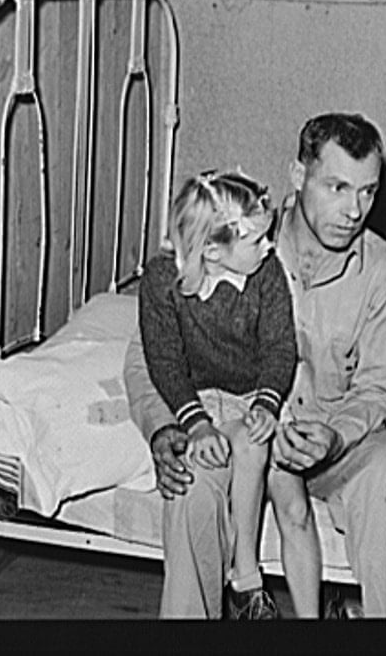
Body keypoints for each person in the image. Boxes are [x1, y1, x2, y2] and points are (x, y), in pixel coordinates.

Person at [125, 113, 386, 618]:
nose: (354, 210)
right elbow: (149, 355)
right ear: (297, 175)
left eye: (368, 192)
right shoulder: (230, 241)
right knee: (192, 488)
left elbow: (379, 390)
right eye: (337, 187)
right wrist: (164, 430)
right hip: (237, 428)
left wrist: (335, 436)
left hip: (335, 440)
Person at [135, 168, 315, 619]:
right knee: (194, 484)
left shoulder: (266, 272)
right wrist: (195, 424)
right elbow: (164, 360)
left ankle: (246, 572)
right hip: (198, 402)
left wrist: (267, 402)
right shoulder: (161, 281)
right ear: (212, 249)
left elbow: (280, 347)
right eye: (255, 239)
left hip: (254, 392)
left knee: (256, 443)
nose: (269, 246)